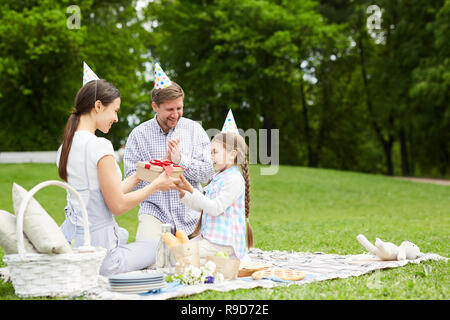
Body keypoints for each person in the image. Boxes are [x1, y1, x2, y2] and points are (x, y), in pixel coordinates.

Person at [56, 78, 179, 276]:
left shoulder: (65, 147)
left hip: (78, 243)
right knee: (163, 244)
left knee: (123, 234)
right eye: (115, 110)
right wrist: (156, 185)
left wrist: (141, 175)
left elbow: (102, 194)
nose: (117, 118)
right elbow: (117, 205)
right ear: (98, 106)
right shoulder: (99, 146)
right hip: (103, 260)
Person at [123, 63, 214, 241]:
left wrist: (181, 161)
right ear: (155, 107)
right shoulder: (138, 135)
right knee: (149, 260)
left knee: (201, 262)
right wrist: (158, 172)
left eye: (179, 108)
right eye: (169, 110)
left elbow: (207, 173)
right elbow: (131, 178)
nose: (175, 114)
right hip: (155, 212)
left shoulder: (194, 130)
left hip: (191, 214)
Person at [175, 131, 253, 261]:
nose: (211, 157)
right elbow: (203, 206)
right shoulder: (218, 177)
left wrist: (191, 189)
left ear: (232, 155)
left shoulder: (234, 179)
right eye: (211, 153)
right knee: (175, 250)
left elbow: (215, 208)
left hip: (224, 243)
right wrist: (183, 192)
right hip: (211, 239)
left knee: (178, 254)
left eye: (215, 152)